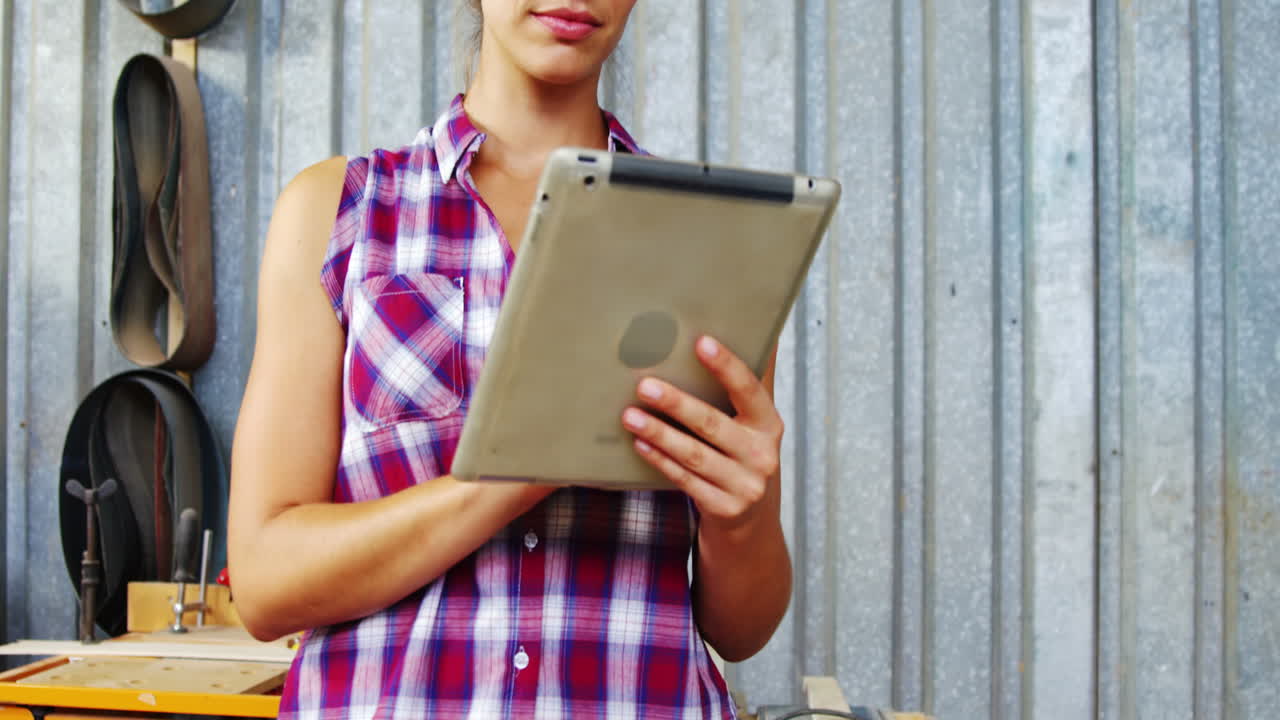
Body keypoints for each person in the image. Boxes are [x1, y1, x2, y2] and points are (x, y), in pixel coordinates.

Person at [227, 1, 792, 716]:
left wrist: (745, 517)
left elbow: (741, 629)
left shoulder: (714, 244)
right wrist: (512, 472)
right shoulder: (342, 211)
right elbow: (265, 582)